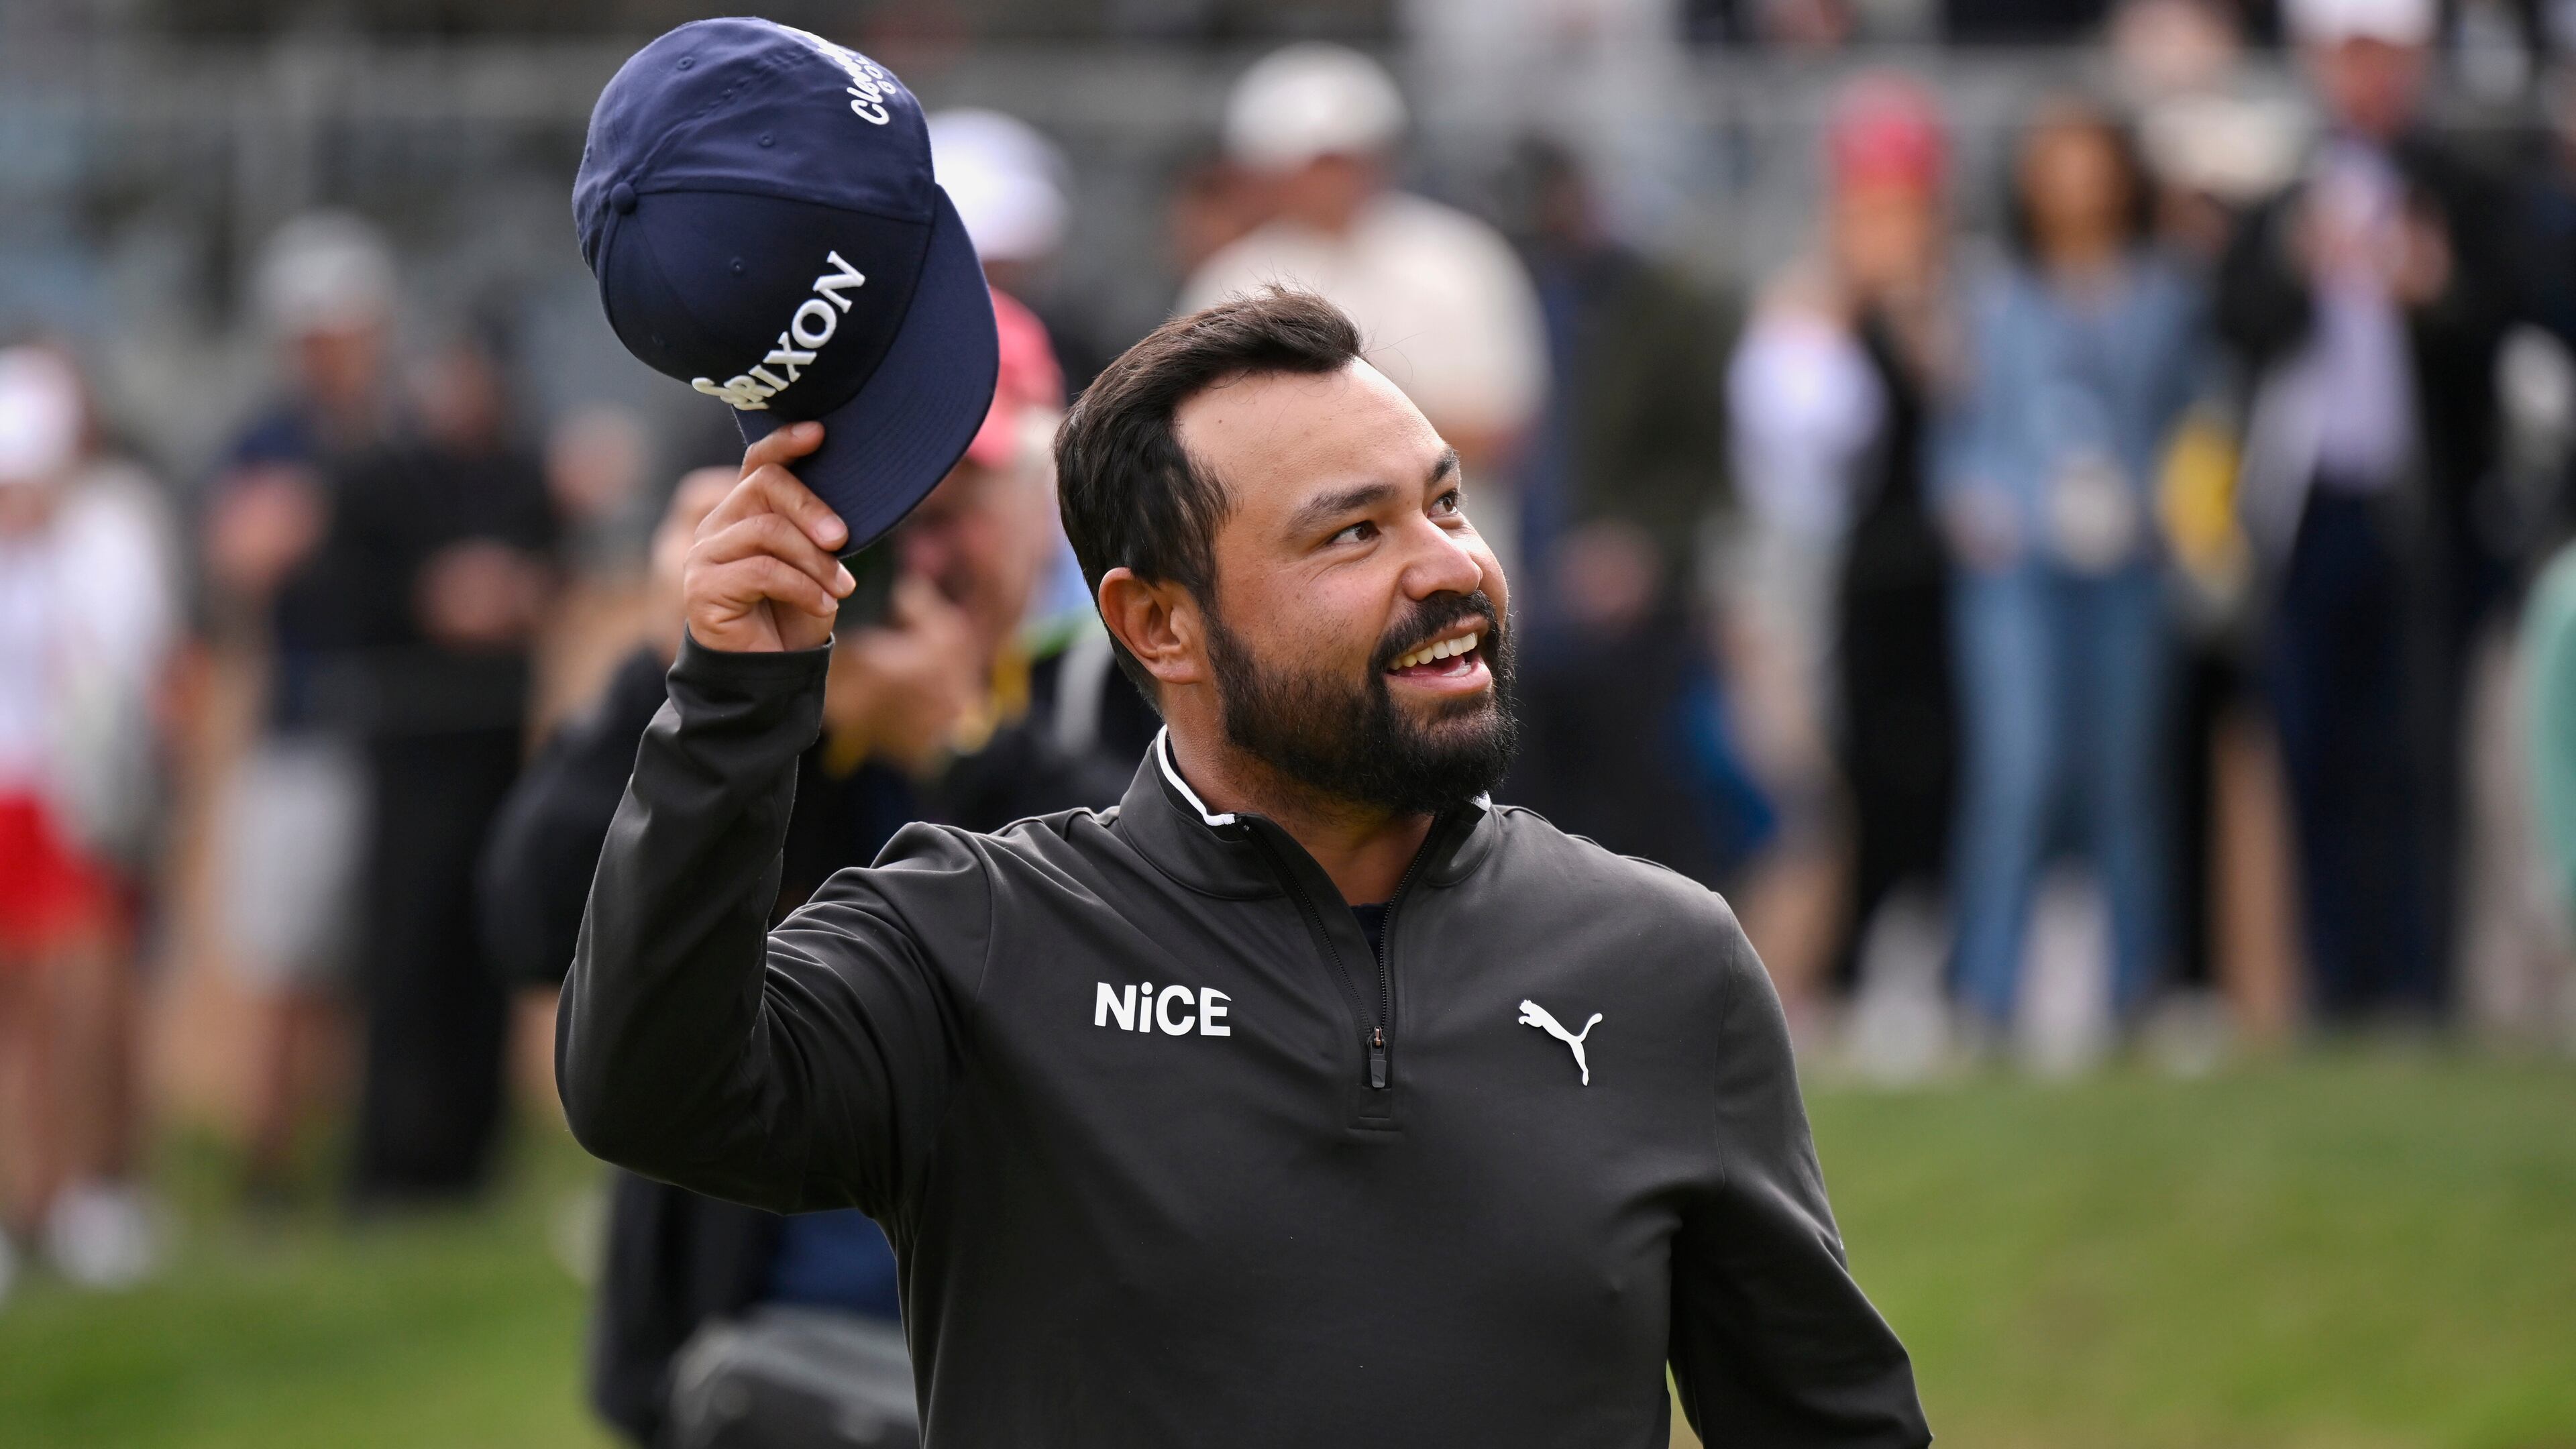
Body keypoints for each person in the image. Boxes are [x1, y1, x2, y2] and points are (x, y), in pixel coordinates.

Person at [561, 284, 1927, 1443]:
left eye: (1445, 504)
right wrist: (740, 698)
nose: (1448, 567)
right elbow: (651, 1091)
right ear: (1158, 624)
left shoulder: (1663, 961)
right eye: (1354, 532)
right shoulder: (973, 936)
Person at [486, 302, 1146, 1442]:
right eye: (881, 523)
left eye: (956, 511)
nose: (917, 566)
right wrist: (693, 686)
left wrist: (965, 751)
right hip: (758, 1356)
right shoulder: (749, 700)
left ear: (1049, 503)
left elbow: (1170, 943)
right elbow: (537, 922)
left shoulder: (1129, 672)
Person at [2216, 0, 2514, 1024]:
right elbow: (2237, 326)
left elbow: (2506, 342)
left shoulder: (2462, 193)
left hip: (2422, 520)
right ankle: (2335, 984)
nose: (2367, 79)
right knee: (2317, 751)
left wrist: (2434, 294)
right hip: (2310, 518)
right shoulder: (2286, 194)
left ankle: (2420, 986)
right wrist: (2299, 267)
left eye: (2384, 57)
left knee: (2416, 755)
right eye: (2350, 57)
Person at [1938, 98, 2208, 1036]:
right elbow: (1959, 432)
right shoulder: (1994, 294)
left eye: (2089, 161)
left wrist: (2176, 511)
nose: (2073, 183)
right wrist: (1970, 502)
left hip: (2129, 558)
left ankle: (2140, 989)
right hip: (2016, 564)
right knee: (2017, 769)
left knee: (2127, 777)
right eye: (2055, 162)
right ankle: (1984, 993)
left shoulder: (2166, 292)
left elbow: (2198, 425)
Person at [1723, 72, 1960, 1018]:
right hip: (1812, 588)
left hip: (1917, 596)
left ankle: (1880, 968)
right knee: (1815, 789)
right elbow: (1788, 469)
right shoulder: (1802, 316)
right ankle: (1803, 980)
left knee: (1909, 777)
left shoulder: (1940, 313)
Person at [333, 325, 561, 1205]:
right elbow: (345, 594)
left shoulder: (517, 476)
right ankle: (390, 1162)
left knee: (484, 944)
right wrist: (433, 599)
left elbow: (551, 573)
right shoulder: (379, 479)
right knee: (405, 950)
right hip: (408, 744)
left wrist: (514, 594)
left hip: (493, 740)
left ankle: (472, 1158)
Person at [1177, 43, 1548, 582]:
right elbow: (1214, 450)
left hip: (1457, 555)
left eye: (1346, 159)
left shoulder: (1460, 259)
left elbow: (1504, 430)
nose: (1331, 180)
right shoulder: (1229, 279)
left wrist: (1326, 426)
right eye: (1311, 163)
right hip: (1301, 576)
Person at [199, 212, 398, 1195]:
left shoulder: (388, 435)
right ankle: (267, 1169)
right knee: (286, 963)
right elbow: (239, 556)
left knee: (358, 967)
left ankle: (342, 1156)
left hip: (394, 731)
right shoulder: (271, 441)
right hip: (304, 728)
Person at [0, 345, 178, 1297]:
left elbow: (124, 654)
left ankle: (81, 1195)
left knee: (80, 1007)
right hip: (7, 802)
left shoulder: (105, 533)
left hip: (69, 805)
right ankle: (20, 1202)